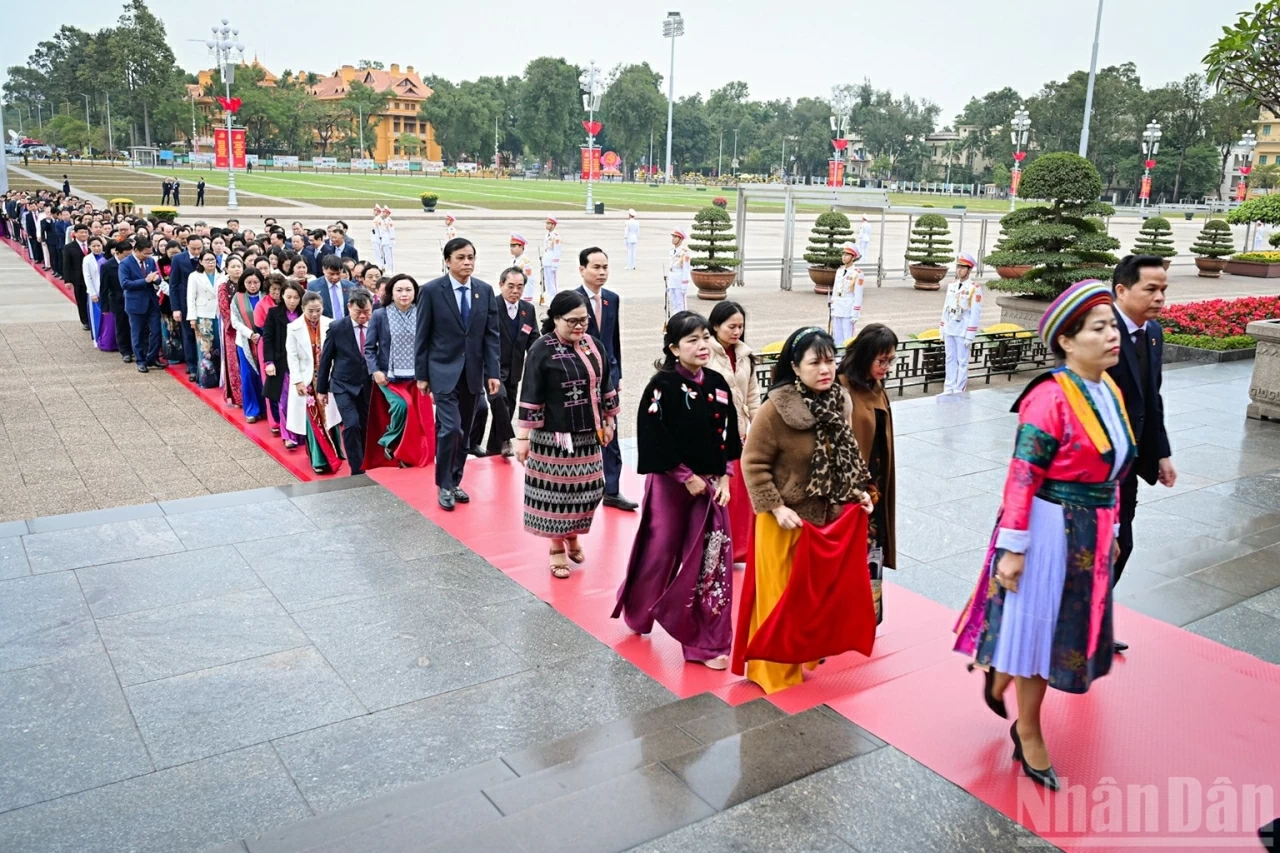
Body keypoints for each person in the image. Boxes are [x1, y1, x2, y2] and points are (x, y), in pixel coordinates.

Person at [954, 280, 1133, 792]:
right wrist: (1013, 548)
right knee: (1038, 634)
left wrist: (1114, 526)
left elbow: (1113, 470)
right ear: (1067, 341)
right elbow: (1022, 475)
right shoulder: (1049, 397)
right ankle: (1028, 729)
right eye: (1098, 328)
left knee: (1063, 632)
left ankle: (1001, 672)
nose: (1111, 335)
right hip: (1050, 528)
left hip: (1093, 532)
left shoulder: (1110, 390)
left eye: (1112, 326)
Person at [732, 326, 875, 695]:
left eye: (830, 360)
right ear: (795, 367)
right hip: (782, 520)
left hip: (822, 518)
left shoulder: (839, 401)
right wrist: (776, 506)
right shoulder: (775, 409)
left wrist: (856, 492)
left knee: (812, 597)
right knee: (778, 597)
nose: (825, 369)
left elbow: (842, 459)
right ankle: (772, 671)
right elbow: (754, 464)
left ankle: (802, 656)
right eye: (815, 362)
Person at [613, 311, 741, 668]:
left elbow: (728, 435)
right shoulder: (662, 386)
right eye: (692, 340)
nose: (702, 346)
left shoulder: (717, 382)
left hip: (712, 485)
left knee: (710, 561)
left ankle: (705, 644)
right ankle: (640, 609)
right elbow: (653, 436)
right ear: (673, 347)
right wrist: (686, 476)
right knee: (660, 553)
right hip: (672, 485)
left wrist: (726, 476)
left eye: (705, 338)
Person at [515, 291, 620, 578]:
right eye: (572, 321)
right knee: (556, 497)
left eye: (584, 320)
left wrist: (609, 421)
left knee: (588, 492)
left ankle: (572, 534)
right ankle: (556, 547)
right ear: (555, 319)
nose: (579, 326)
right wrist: (523, 438)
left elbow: (605, 385)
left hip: (588, 435)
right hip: (553, 439)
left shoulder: (592, 345)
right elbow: (531, 394)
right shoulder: (541, 349)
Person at [1107, 255, 1176, 654]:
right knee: (1099, 548)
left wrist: (1162, 453)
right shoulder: (1099, 330)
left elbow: (1153, 397)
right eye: (1151, 288)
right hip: (1095, 467)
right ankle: (1071, 625)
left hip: (1129, 463)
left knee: (1123, 544)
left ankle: (1090, 620)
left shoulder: (1152, 334)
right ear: (1122, 289)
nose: (1160, 297)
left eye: (1164, 289)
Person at [414, 237, 502, 510]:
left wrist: (493, 373)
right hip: (442, 371)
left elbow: (491, 335)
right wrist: (422, 375)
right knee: (450, 427)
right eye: (461, 258)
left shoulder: (484, 291)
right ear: (448, 261)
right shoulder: (431, 291)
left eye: (471, 257)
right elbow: (423, 335)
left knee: (463, 431)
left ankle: (455, 481)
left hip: (473, 372)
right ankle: (443, 485)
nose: (467, 263)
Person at [838, 323, 899, 623]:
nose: (886, 367)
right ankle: (838, 615)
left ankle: (866, 614)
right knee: (846, 550)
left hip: (876, 482)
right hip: (849, 486)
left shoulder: (877, 387)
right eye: (882, 360)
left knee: (872, 549)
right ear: (864, 356)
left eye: (890, 360)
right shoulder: (840, 387)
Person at [576, 247, 638, 511]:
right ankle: (578, 489)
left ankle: (611, 489)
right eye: (596, 267)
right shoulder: (572, 299)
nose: (601, 273)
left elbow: (613, 340)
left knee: (611, 430)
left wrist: (618, 373)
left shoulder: (611, 299)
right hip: (580, 377)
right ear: (582, 270)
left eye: (605, 267)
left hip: (608, 377)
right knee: (582, 432)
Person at [706, 300, 760, 565]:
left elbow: (752, 393)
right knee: (719, 493)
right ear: (716, 325)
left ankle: (738, 549)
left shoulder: (745, 355)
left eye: (741, 326)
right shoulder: (705, 354)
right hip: (714, 434)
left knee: (740, 495)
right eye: (731, 326)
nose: (737, 331)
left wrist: (756, 425)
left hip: (741, 434)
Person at [365, 275, 436, 470]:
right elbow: (369, 348)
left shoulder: (422, 312)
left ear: (415, 293)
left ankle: (408, 455)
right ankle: (388, 439)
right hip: (389, 377)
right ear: (390, 293)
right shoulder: (380, 315)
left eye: (408, 290)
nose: (404, 294)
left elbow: (430, 345)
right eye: (399, 290)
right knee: (402, 407)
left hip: (417, 376)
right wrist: (375, 371)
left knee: (419, 418)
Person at [469, 267, 536, 457]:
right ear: (501, 285)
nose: (515, 291)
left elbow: (533, 338)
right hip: (492, 367)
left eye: (520, 287)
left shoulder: (528, 310)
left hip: (515, 369)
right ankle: (507, 438)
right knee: (499, 399)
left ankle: (494, 448)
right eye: (511, 286)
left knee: (508, 407)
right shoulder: (490, 307)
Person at [314, 288, 375, 475]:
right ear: (349, 307)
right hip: (343, 385)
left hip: (368, 385)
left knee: (365, 425)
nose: (363, 316)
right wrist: (322, 390)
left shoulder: (376, 325)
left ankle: (364, 457)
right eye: (359, 312)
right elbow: (326, 361)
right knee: (352, 423)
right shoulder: (337, 328)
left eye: (367, 312)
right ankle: (357, 469)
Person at [285, 291, 344, 473]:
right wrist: (297, 381)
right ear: (303, 309)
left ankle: (335, 451)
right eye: (310, 310)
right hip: (307, 378)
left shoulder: (331, 324)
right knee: (313, 419)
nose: (314, 314)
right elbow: (292, 356)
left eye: (318, 310)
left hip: (327, 376)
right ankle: (320, 459)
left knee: (329, 415)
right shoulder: (293, 327)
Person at [264, 282, 305, 450]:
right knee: (285, 400)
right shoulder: (274, 313)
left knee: (302, 399)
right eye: (288, 297)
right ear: (282, 296)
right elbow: (268, 338)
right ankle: (288, 435)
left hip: (302, 363)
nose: (292, 301)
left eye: (296, 297)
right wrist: (269, 362)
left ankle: (303, 432)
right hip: (282, 362)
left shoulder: (304, 313)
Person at [939, 252, 983, 395]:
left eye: (963, 268)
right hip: (950, 326)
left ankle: (959, 388)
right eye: (958, 267)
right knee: (949, 358)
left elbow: (975, 313)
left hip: (963, 328)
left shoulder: (974, 288)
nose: (959, 270)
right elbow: (946, 307)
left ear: (969, 270)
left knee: (962, 360)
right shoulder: (952, 286)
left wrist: (970, 334)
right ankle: (949, 387)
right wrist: (942, 327)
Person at [119, 240, 164, 372]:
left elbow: (157, 277)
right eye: (145, 253)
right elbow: (125, 284)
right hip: (135, 304)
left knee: (156, 331)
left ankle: (153, 357)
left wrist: (157, 280)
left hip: (152, 302)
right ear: (137, 250)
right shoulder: (125, 264)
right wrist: (145, 281)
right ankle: (141, 360)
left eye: (150, 253)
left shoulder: (150, 261)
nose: (148, 256)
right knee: (137, 333)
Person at [231, 268, 268, 423]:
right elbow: (235, 322)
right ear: (243, 283)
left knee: (264, 375)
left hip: (265, 341)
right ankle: (252, 410)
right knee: (248, 375)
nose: (253, 286)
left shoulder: (266, 297)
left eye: (256, 282)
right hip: (245, 342)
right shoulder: (237, 298)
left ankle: (266, 408)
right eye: (249, 282)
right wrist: (250, 334)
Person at [187, 250, 224, 389]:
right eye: (207, 260)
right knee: (205, 348)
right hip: (203, 315)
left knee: (219, 346)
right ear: (201, 262)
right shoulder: (194, 276)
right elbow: (190, 297)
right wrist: (192, 318)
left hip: (219, 313)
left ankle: (219, 377)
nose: (210, 262)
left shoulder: (222, 275)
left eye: (213, 259)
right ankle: (206, 379)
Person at [169, 234, 203, 382]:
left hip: (203, 303)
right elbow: (174, 285)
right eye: (193, 248)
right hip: (185, 303)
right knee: (188, 335)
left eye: (199, 248)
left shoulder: (207, 257)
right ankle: (192, 366)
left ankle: (205, 365)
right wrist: (176, 308)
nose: (196, 252)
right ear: (186, 245)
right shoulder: (178, 259)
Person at [254, 274, 285, 433]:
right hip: (267, 344)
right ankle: (274, 421)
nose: (277, 292)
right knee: (271, 383)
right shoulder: (262, 304)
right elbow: (259, 325)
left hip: (285, 346)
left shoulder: (288, 302)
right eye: (273, 289)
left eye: (279, 289)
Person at [101, 240, 133, 362]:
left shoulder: (132, 263)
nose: (128, 258)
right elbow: (103, 287)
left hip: (132, 299)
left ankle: (135, 348)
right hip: (117, 301)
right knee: (121, 326)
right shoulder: (107, 266)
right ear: (117, 253)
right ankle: (125, 351)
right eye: (126, 255)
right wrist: (104, 307)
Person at [220, 256, 245, 407]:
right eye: (233, 266)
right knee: (234, 363)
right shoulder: (224, 286)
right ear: (227, 269)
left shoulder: (247, 283)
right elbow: (224, 308)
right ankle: (238, 397)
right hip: (232, 330)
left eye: (239, 266)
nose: (237, 269)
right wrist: (236, 324)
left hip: (249, 328)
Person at [830, 242, 865, 345]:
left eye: (847, 255)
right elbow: (835, 290)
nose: (844, 257)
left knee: (847, 337)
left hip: (848, 309)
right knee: (837, 336)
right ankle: (838, 359)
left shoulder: (858, 273)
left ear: (853, 257)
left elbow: (858, 295)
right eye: (843, 254)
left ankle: (847, 359)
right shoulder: (839, 271)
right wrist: (832, 306)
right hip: (837, 307)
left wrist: (855, 312)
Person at [64, 223, 92, 331]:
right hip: (78, 278)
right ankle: (85, 321)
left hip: (92, 277)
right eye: (81, 232)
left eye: (86, 232)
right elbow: (66, 265)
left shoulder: (93, 244)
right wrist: (68, 280)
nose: (84, 234)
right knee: (81, 300)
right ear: (75, 234)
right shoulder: (69, 247)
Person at [309, 255, 353, 320]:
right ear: (323, 270)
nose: (335, 277)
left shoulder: (350, 286)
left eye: (338, 273)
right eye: (331, 274)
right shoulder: (314, 287)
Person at [508, 233, 540, 303]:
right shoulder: (513, 260)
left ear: (521, 247)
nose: (511, 248)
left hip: (523, 294)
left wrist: (527, 297)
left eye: (514, 246)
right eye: (511, 246)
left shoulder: (525, 262)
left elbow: (528, 281)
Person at [667, 229, 692, 318]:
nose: (673, 239)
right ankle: (676, 321)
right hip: (672, 281)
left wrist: (684, 286)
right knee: (674, 303)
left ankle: (684, 322)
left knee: (681, 304)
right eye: (672, 236)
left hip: (679, 281)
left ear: (680, 239)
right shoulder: (671, 251)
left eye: (675, 237)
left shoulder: (684, 253)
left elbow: (686, 270)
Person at [541, 217, 561, 298]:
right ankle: (549, 298)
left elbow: (557, 251)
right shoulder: (547, 235)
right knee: (548, 282)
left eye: (549, 223)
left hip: (552, 261)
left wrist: (555, 264)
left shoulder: (556, 237)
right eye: (546, 223)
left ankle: (555, 298)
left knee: (553, 282)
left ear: (553, 225)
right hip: (546, 260)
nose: (546, 225)